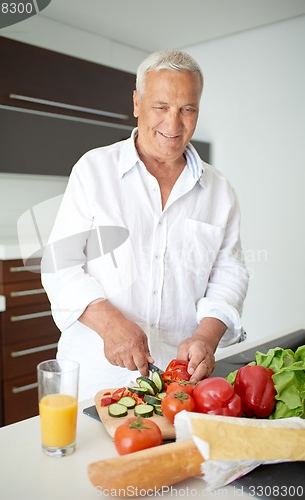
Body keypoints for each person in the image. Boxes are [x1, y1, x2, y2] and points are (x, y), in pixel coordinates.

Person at [41, 49, 249, 400]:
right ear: (137, 103)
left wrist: (206, 337)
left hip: (178, 383)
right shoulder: (94, 171)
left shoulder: (220, 191)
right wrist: (111, 324)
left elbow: (230, 273)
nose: (173, 124)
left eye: (187, 109)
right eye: (161, 107)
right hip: (95, 377)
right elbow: (60, 264)